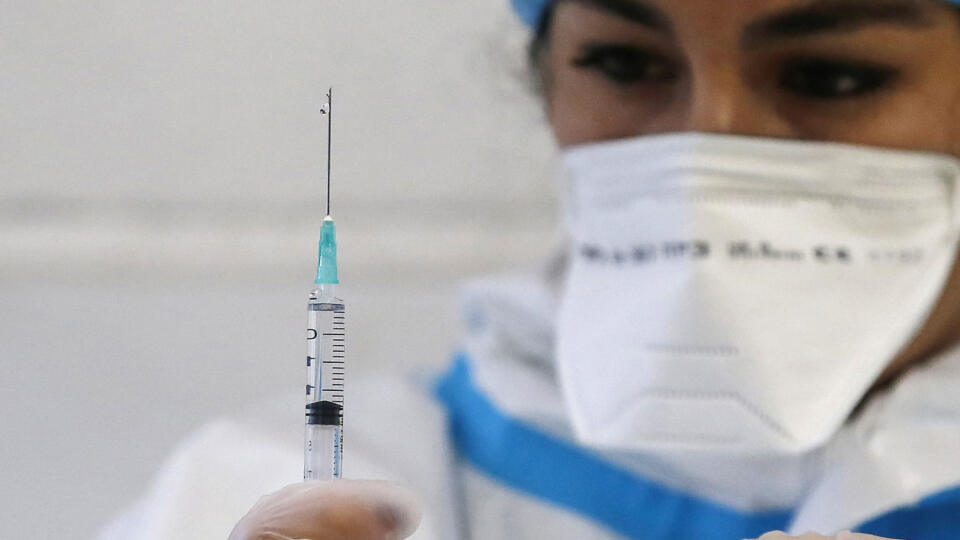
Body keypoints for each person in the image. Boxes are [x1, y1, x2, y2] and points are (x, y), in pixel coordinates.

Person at [98, 1, 960, 539]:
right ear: (547, 81)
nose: (706, 146)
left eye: (833, 75)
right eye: (625, 63)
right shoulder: (300, 485)